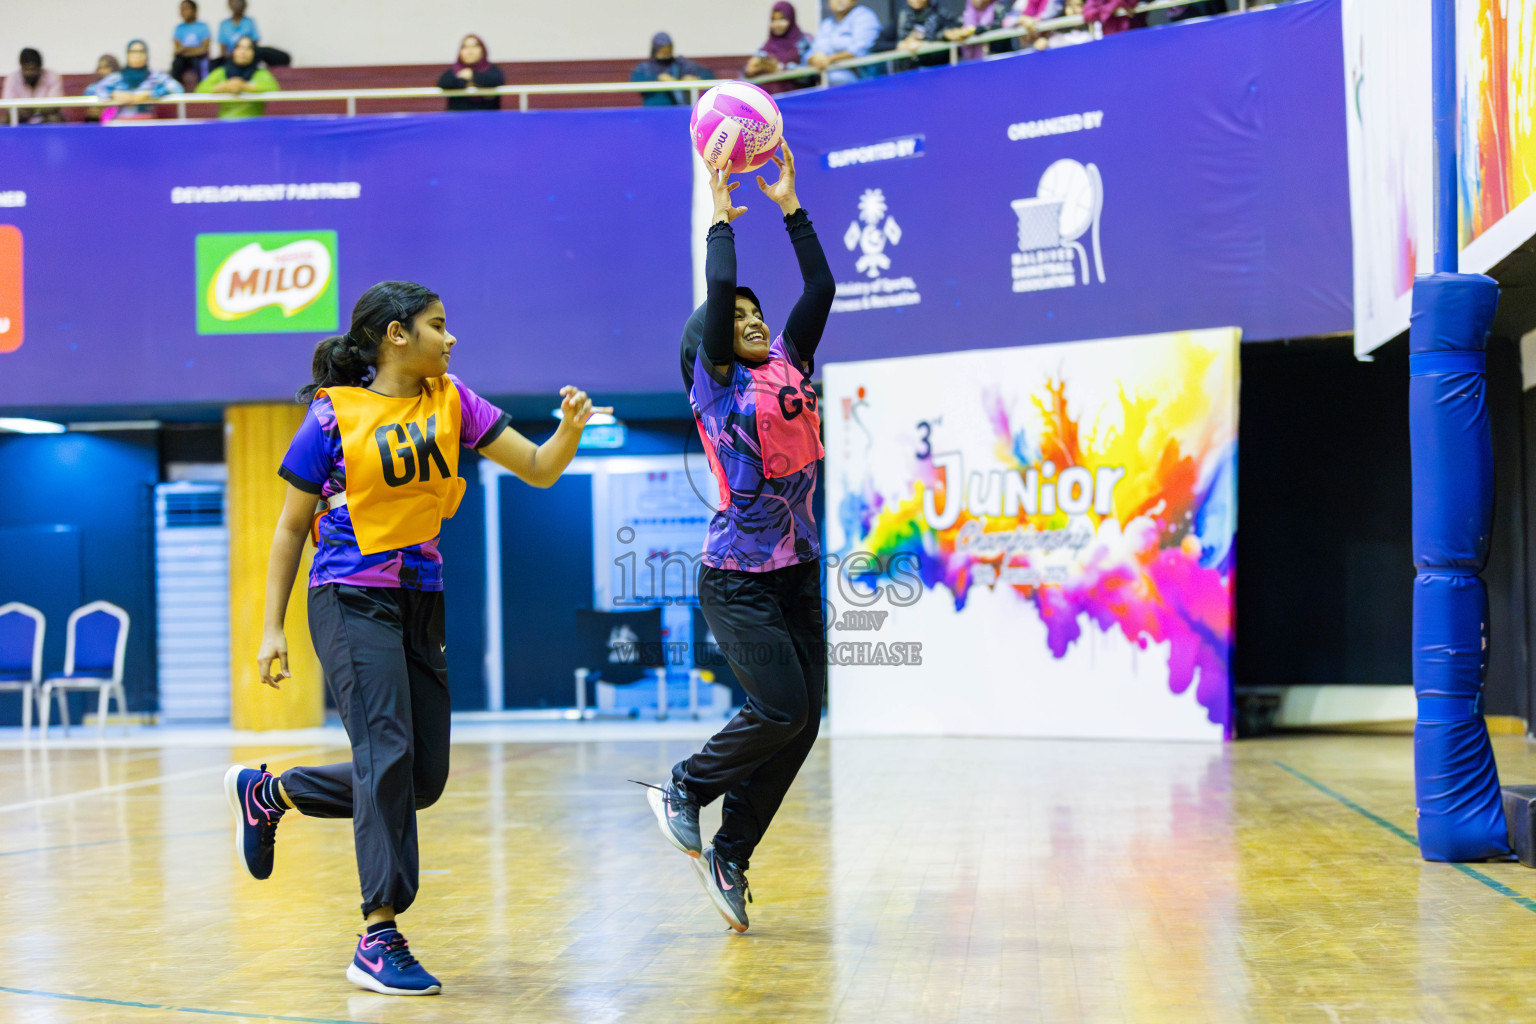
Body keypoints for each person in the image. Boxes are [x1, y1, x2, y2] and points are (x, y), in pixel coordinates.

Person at [226, 280, 598, 996]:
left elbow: (541, 469)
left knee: (421, 779)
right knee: (386, 752)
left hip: (422, 599)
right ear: (396, 336)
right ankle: (377, 935)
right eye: (437, 325)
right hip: (348, 596)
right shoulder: (332, 418)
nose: (450, 338)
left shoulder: (455, 401)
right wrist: (271, 629)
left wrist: (571, 430)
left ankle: (269, 794)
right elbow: (287, 529)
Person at [641, 141, 834, 935]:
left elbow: (820, 286)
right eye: (740, 318)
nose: (752, 321)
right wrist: (721, 216)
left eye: (759, 315)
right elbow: (719, 292)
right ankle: (686, 784)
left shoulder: (789, 361)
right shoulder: (715, 384)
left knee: (804, 717)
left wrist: (791, 205)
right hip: (737, 579)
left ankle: (732, 852)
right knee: (781, 705)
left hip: (798, 572)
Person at [87, 41, 183, 122]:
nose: (137, 55)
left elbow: (177, 88)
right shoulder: (117, 77)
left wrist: (151, 94)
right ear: (127, 55)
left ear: (146, 55)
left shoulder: (155, 77)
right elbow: (91, 90)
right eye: (133, 52)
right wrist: (113, 94)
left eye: (141, 52)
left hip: (146, 125)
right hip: (120, 125)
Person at [195, 35, 278, 118]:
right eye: (239, 47)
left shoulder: (261, 73)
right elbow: (200, 90)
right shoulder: (221, 72)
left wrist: (244, 87)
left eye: (248, 48)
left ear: (254, 52)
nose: (243, 52)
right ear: (234, 51)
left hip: (254, 125)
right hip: (225, 125)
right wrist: (223, 87)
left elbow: (274, 89)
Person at [805, 0, 882, 86]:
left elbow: (860, 49)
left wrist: (830, 59)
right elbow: (812, 51)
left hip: (864, 81)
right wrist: (815, 58)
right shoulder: (827, 24)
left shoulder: (864, 16)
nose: (839, 1)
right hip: (830, 83)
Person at [744, 2, 813, 95]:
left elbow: (812, 76)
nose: (777, 24)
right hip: (769, 100)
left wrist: (781, 68)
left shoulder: (804, 42)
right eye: (773, 19)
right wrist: (750, 71)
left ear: (791, 19)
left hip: (796, 100)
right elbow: (745, 72)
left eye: (782, 19)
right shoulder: (766, 47)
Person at [631, 32, 714, 106]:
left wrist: (695, 79)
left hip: (681, 110)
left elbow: (708, 76)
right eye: (662, 50)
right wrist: (658, 78)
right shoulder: (645, 68)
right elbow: (636, 83)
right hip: (653, 112)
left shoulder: (681, 64)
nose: (666, 52)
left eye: (668, 49)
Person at [436, 34, 504, 111]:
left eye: (474, 46)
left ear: (482, 50)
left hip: (486, 119)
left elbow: (495, 81)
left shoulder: (492, 70)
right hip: (458, 120)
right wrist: (464, 79)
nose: (470, 51)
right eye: (465, 47)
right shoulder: (453, 72)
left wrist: (472, 76)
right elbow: (443, 83)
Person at [2, 48, 63, 124]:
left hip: (45, 117)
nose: (29, 73)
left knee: (55, 118)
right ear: (21, 67)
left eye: (33, 69)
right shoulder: (12, 78)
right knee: (4, 119)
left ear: (40, 68)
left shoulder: (52, 76)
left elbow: (55, 106)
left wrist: (33, 110)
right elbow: (8, 105)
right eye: (26, 69)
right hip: (21, 117)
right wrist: (33, 110)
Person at [895, 0, 958, 70]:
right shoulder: (901, 17)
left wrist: (941, 36)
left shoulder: (940, 14)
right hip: (908, 73)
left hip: (938, 70)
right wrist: (901, 44)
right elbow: (882, 44)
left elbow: (956, 31)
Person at [945, 0, 1011, 60]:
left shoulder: (998, 8)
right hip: (969, 63)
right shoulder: (962, 15)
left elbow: (1005, 25)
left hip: (998, 59)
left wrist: (984, 29)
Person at [171, 0, 212, 90]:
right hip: (183, 59)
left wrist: (185, 48)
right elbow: (177, 50)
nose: (182, 11)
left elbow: (204, 49)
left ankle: (202, 91)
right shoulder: (179, 28)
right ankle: (176, 90)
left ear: (194, 10)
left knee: (200, 63)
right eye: (181, 9)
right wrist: (194, 49)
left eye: (186, 8)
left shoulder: (203, 26)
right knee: (176, 63)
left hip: (199, 58)